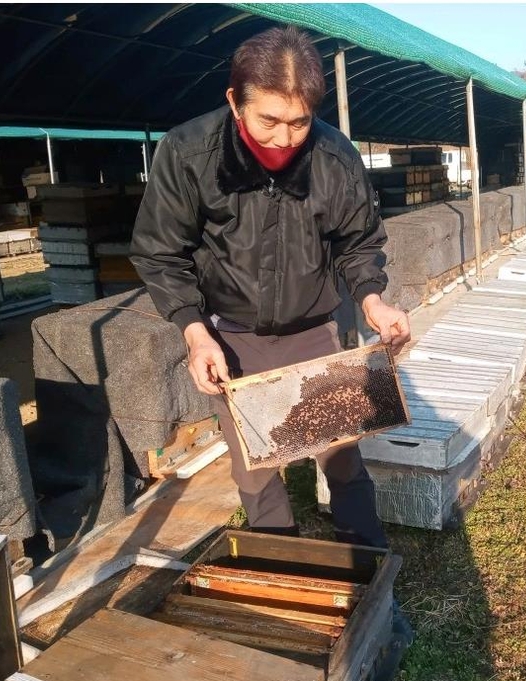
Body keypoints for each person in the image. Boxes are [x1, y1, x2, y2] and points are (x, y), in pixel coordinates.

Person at [130, 26, 411, 551]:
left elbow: (359, 240)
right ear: (235, 101)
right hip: (232, 336)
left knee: (343, 459)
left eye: (300, 122)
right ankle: (283, 563)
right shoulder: (190, 153)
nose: (284, 139)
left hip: (318, 331)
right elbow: (160, 252)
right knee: (255, 471)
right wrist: (194, 332)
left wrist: (372, 297)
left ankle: (368, 571)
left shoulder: (335, 156)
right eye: (269, 121)